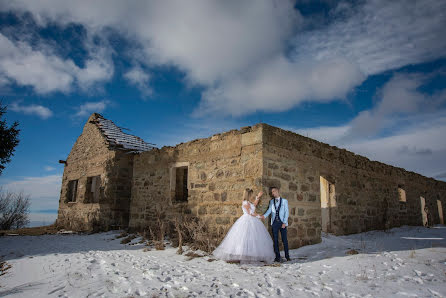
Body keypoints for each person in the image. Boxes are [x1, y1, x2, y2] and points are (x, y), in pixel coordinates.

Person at [213, 188, 275, 264]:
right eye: (251, 194)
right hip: (247, 220)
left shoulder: (249, 202)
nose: (252, 195)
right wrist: (259, 216)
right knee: (244, 237)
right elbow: (250, 213)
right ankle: (241, 255)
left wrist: (258, 197)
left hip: (252, 220)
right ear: (248, 195)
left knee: (252, 238)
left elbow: (254, 205)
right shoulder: (245, 202)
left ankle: (250, 254)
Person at [260, 187, 290, 262]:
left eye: (274, 191)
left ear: (278, 191)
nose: (273, 193)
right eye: (272, 192)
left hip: (282, 222)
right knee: (275, 240)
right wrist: (264, 216)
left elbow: (287, 212)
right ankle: (277, 257)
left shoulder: (284, 201)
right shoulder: (271, 202)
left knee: (284, 240)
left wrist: (284, 222)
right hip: (274, 223)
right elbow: (269, 210)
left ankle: (287, 256)